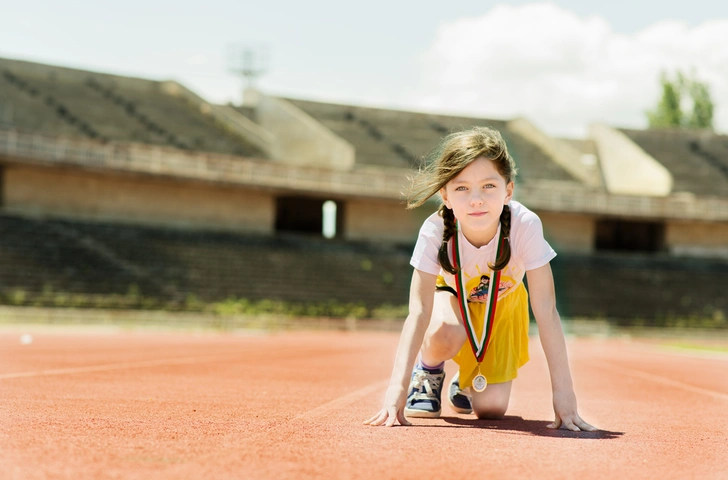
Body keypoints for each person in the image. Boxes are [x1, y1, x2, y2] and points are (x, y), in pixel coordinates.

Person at [363, 126, 596, 431]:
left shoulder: (525, 226)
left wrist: (564, 396)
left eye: (488, 186)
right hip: (453, 298)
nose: (476, 200)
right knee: (445, 330)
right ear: (445, 195)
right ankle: (430, 370)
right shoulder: (434, 232)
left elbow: (546, 310)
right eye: (462, 188)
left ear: (508, 190)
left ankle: (466, 379)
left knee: (492, 409)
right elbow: (419, 311)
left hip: (502, 304)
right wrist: (395, 392)